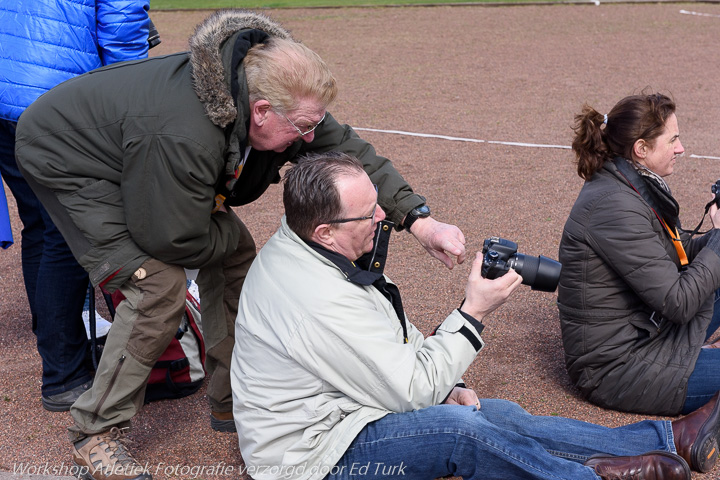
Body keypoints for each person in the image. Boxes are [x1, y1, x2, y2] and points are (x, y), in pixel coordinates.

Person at [14, 9, 466, 480]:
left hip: (137, 148)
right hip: (68, 156)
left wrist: (419, 222)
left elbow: (349, 151)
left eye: (315, 124)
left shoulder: (283, 100)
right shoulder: (184, 132)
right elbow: (169, 236)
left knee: (233, 257)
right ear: (262, 110)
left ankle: (234, 400)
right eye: (302, 127)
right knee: (157, 287)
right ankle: (96, 434)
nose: (310, 138)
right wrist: (226, 236)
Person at [230, 151, 720, 480]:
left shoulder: (309, 249)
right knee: (458, 431)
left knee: (493, 413)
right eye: (369, 215)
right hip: (310, 459)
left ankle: (665, 439)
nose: (383, 220)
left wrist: (447, 386)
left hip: (342, 408)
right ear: (325, 231)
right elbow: (408, 389)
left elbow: (387, 339)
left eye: (378, 206)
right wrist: (473, 312)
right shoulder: (315, 296)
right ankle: (591, 477)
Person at [0, 0, 150, 412]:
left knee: (41, 225)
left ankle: (55, 340)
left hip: (8, 86)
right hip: (52, 95)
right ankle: (63, 373)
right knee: (66, 237)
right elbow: (121, 26)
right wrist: (131, 100)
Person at [557, 92, 720, 452]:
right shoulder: (614, 205)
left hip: (651, 332)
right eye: (673, 139)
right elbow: (678, 302)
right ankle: (696, 430)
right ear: (641, 149)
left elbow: (669, 256)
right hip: (617, 368)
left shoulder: (629, 184)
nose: (681, 148)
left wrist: (713, 239)